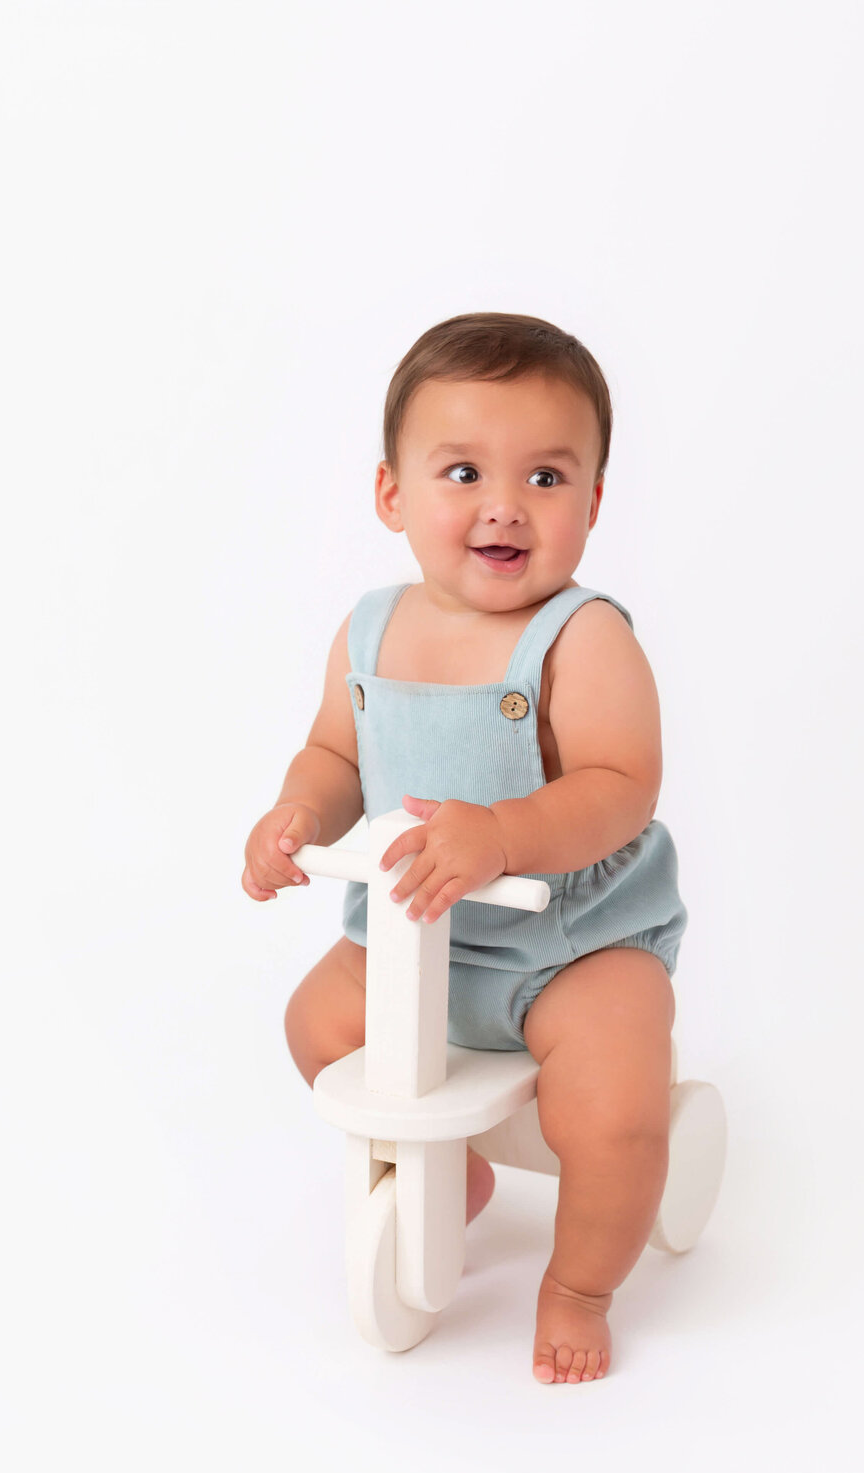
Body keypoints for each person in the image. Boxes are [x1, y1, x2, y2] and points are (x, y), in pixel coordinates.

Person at [242, 312, 688, 1384]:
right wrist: (298, 811)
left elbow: (621, 787)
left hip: (572, 943)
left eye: (546, 476)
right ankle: (446, 1171)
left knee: (616, 1111)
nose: (504, 504)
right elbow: (334, 753)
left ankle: (579, 1283)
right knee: (314, 1025)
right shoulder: (371, 629)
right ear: (392, 493)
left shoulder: (585, 638)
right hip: (416, 938)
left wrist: (505, 835)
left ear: (592, 501)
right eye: (462, 471)